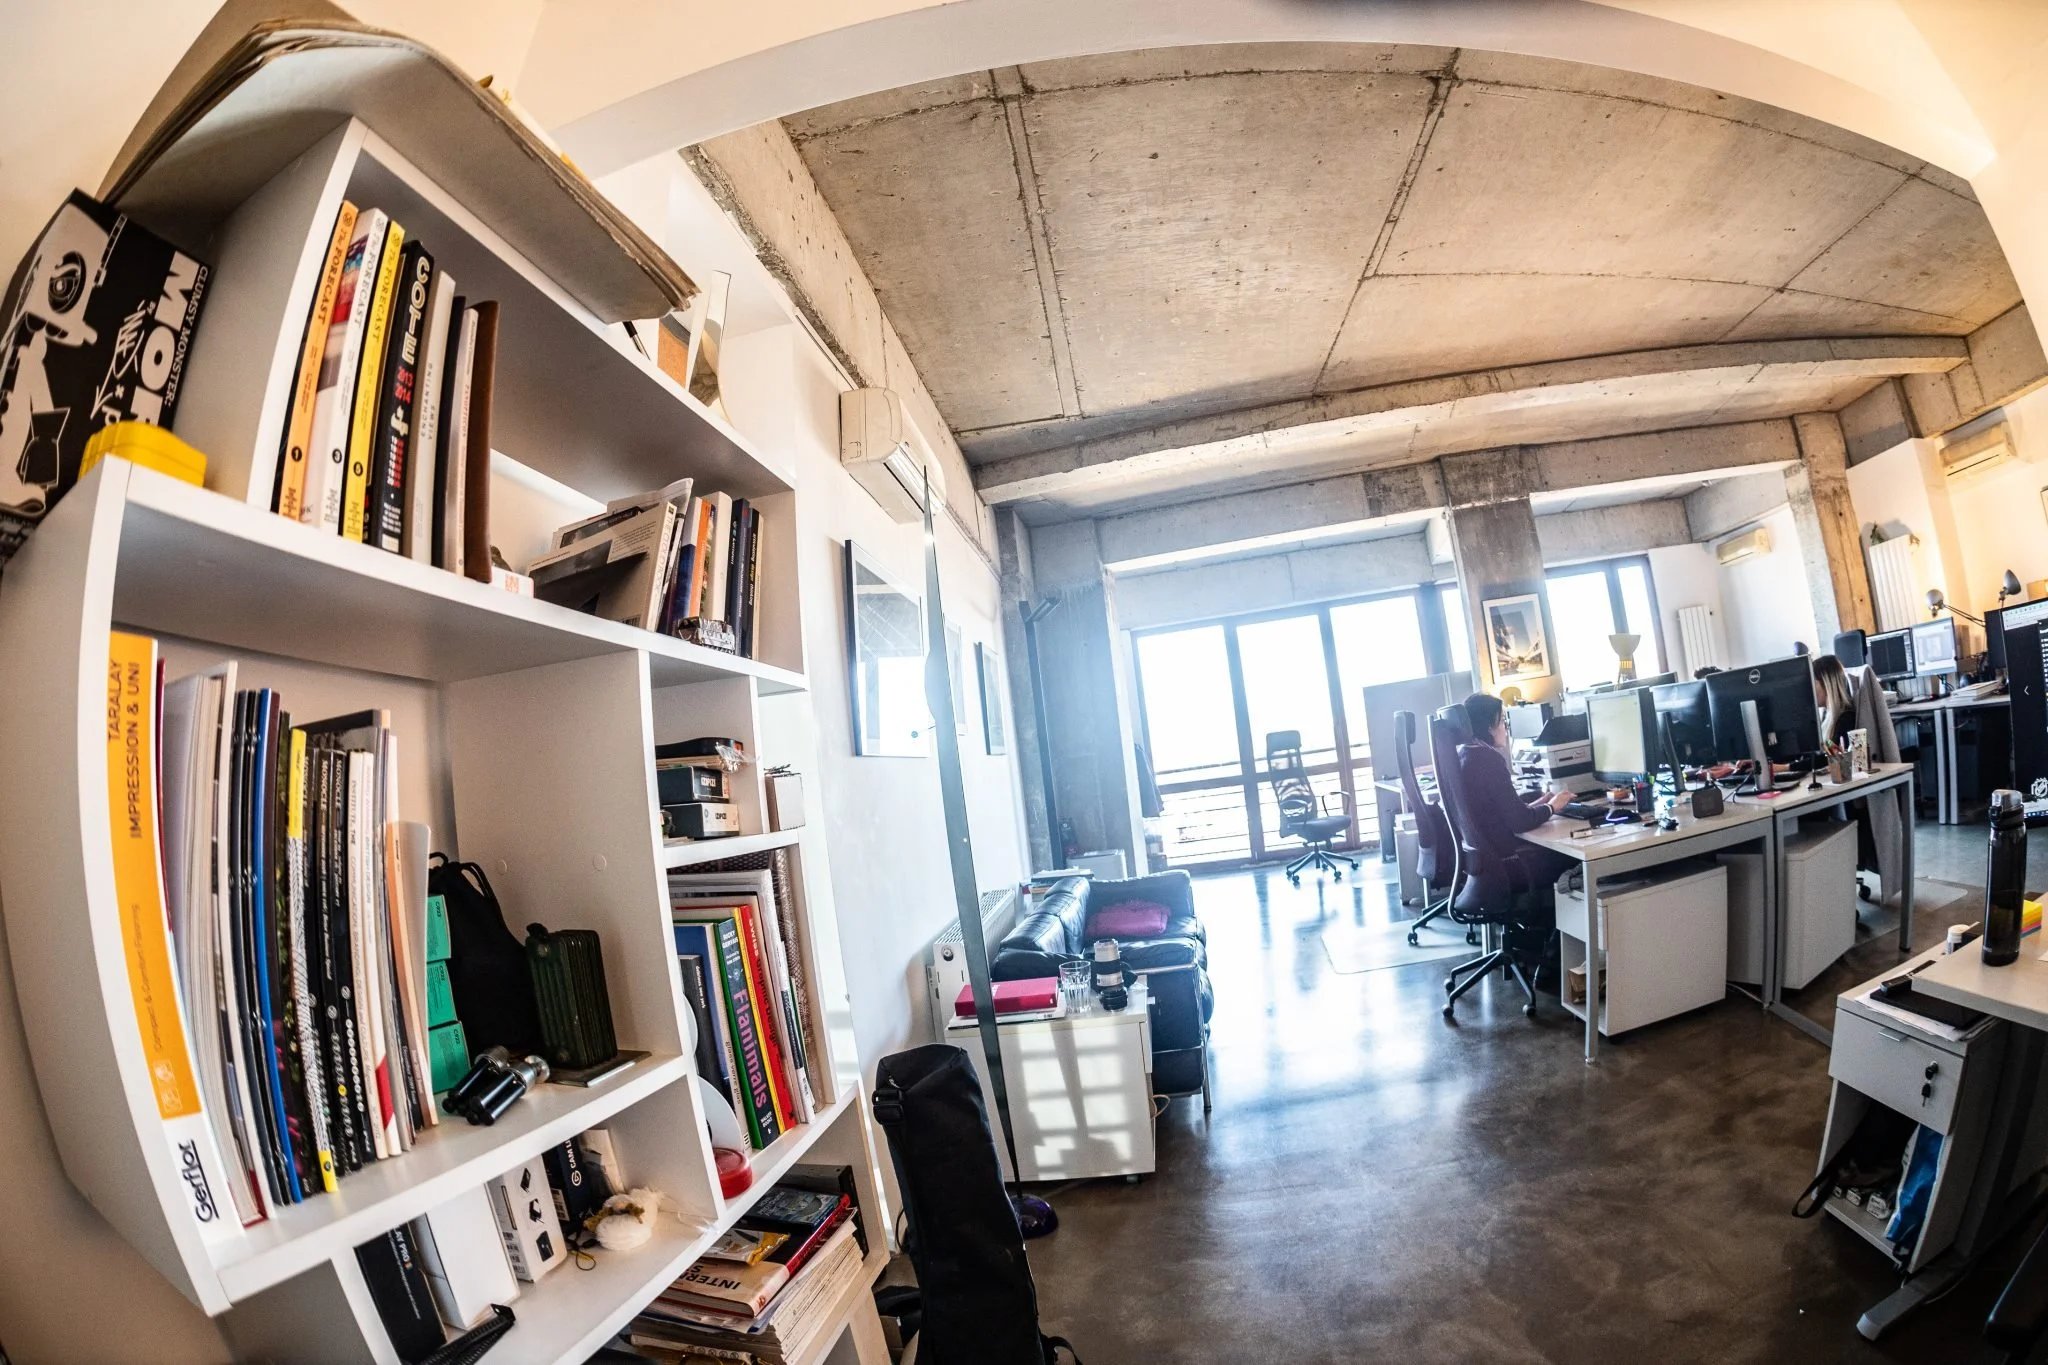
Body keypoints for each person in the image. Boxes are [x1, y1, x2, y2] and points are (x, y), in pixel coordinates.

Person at [1458, 692, 1577, 891]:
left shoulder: (1465, 755)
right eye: (1502, 722)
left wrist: (1540, 803)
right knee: (1572, 857)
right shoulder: (1488, 760)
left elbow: (1502, 813)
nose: (1506, 728)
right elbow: (1519, 822)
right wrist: (1552, 807)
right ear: (1488, 727)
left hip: (1484, 862)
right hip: (1510, 863)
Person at [1812, 653, 1856, 746]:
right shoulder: (1826, 715)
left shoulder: (1846, 720)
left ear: (1827, 684)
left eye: (1814, 683)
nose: (1810, 690)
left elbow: (1842, 754)